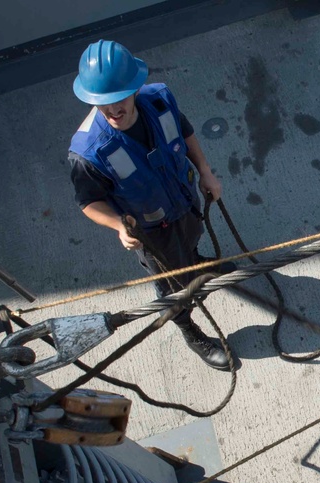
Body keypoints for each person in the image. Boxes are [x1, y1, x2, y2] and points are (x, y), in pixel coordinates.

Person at [69, 40, 232, 371]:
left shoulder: (158, 100)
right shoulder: (88, 151)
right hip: (151, 231)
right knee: (172, 287)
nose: (113, 110)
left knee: (190, 238)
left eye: (119, 100)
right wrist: (118, 225)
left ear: (134, 88)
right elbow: (88, 202)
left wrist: (205, 172)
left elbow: (185, 134)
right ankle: (189, 330)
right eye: (103, 104)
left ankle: (196, 263)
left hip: (184, 203)